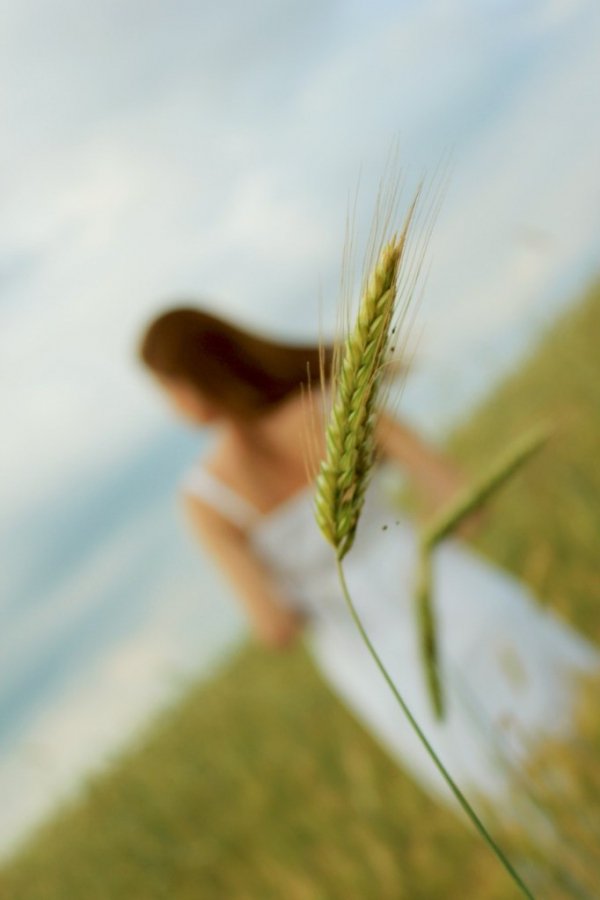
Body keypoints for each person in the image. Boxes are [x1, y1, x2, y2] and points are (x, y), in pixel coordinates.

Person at [137, 305, 599, 821]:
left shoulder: (206, 500)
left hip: (372, 653)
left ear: (190, 381)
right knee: (578, 711)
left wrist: (312, 584)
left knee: (512, 786)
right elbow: (465, 505)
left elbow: (275, 628)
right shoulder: (336, 404)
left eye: (166, 389)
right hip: (448, 588)